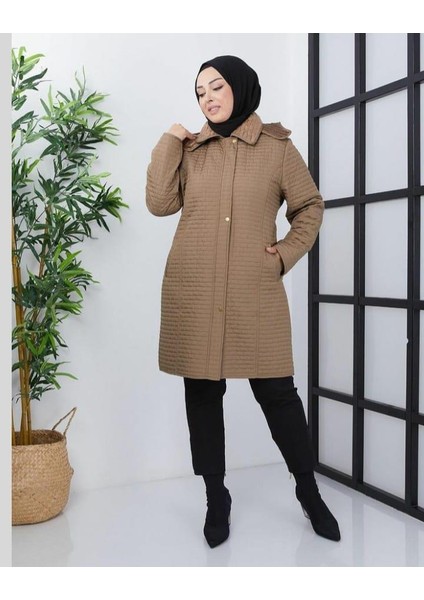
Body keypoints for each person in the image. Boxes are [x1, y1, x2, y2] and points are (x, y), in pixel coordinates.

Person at [146, 55, 340, 548]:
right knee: (202, 396)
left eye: (216, 87)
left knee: (278, 395)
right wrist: (170, 139)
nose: (207, 98)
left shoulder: (277, 148)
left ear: (240, 86)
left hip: (255, 290)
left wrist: (284, 255)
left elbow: (309, 206)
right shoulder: (191, 149)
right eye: (199, 92)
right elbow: (159, 203)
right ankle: (217, 497)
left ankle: (309, 492)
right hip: (195, 290)